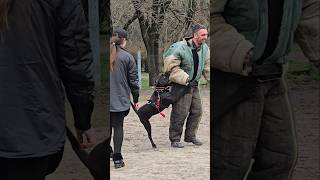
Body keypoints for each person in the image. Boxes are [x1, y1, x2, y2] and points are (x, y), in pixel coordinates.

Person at [212, 0, 320, 179]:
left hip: (273, 75)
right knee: (229, 164)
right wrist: (239, 51)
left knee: (279, 159)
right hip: (231, 78)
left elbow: (310, 13)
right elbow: (205, 18)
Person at [0, 0, 96, 179]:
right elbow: (76, 63)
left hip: (29, 128)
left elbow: (75, 61)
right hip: (31, 128)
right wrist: (83, 120)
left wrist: (83, 120)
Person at [163, 23, 210, 148]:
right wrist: (186, 78)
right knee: (180, 112)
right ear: (195, 35)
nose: (206, 37)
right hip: (181, 85)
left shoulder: (205, 48)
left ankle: (190, 136)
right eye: (203, 34)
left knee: (197, 111)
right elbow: (170, 66)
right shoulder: (179, 47)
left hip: (194, 86)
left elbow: (207, 66)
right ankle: (175, 139)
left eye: (206, 34)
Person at [109, 28, 140, 168]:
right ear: (123, 40)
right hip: (119, 99)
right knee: (118, 127)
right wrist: (136, 99)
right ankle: (117, 158)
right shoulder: (127, 57)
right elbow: (133, 81)